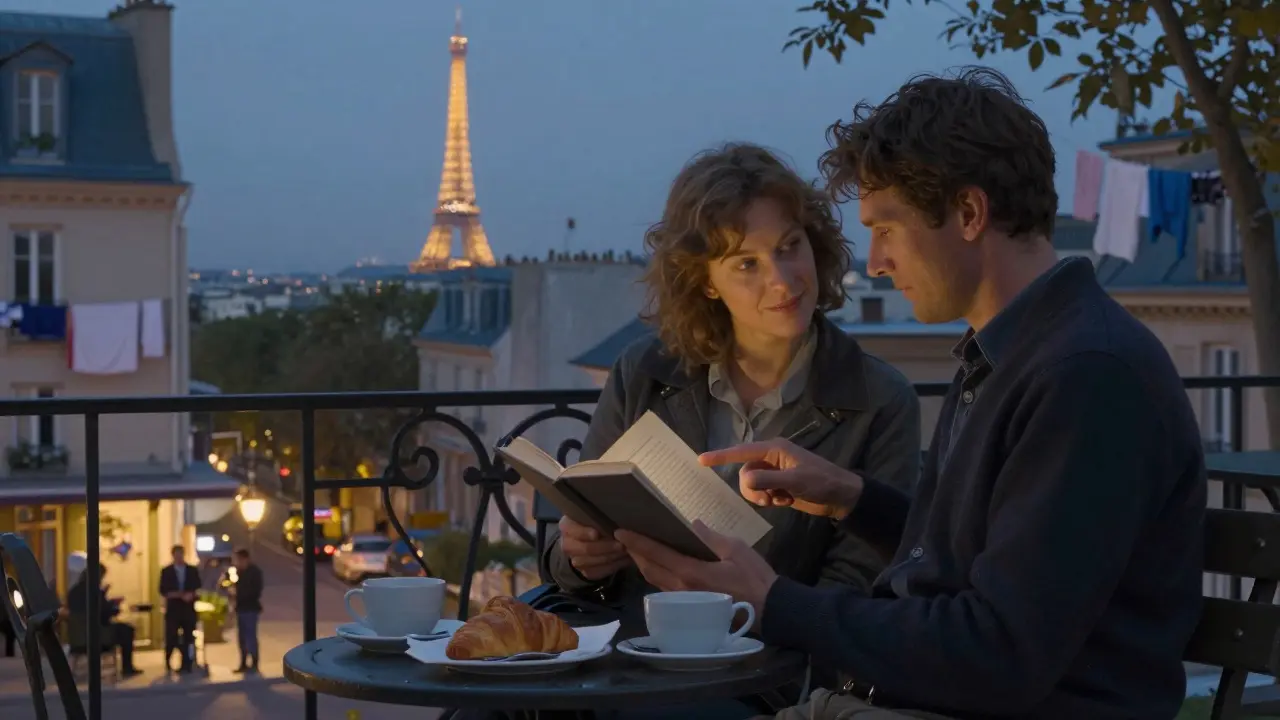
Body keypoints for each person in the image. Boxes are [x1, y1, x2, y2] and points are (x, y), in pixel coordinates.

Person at [615, 68, 1206, 720]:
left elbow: (1000, 652)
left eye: (886, 228)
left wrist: (773, 601)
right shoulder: (1014, 354)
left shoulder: (1085, 376)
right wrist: (852, 498)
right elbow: (994, 559)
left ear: (970, 213)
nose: (875, 261)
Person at [541, 143, 921, 616]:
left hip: (773, 676)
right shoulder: (643, 372)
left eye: (790, 247)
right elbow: (568, 551)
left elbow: (857, 593)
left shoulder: (881, 401)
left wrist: (762, 609)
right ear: (705, 281)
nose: (782, 280)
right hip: (638, 663)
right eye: (747, 264)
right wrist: (580, 560)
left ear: (814, 244)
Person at [66, 563, 141, 677]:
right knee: (127, 630)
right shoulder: (94, 591)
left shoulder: (73, 591)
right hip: (97, 636)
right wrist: (114, 605)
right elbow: (104, 614)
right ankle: (127, 667)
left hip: (77, 637)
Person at [158, 544, 201, 673]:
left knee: (189, 636)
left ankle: (187, 662)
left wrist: (191, 595)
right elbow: (163, 590)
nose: (179, 557)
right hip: (173, 609)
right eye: (176, 555)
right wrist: (179, 595)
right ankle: (168, 660)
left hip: (188, 609)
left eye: (181, 554)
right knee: (171, 636)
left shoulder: (192, 570)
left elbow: (197, 586)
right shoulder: (167, 571)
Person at [231, 548, 264, 674]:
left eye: (237, 559)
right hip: (240, 607)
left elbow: (255, 591)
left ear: (244, 559)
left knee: (250, 636)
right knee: (242, 637)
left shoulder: (254, 572)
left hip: (250, 608)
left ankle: (254, 662)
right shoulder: (238, 572)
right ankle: (243, 662)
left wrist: (239, 594)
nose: (235, 562)